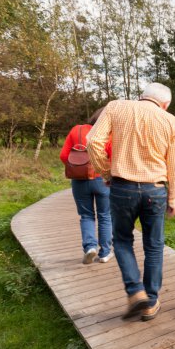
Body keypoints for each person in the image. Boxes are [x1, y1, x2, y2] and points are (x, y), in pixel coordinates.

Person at [87, 82, 175, 322]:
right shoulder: (173, 122)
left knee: (122, 241)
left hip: (122, 187)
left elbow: (93, 141)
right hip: (155, 190)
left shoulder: (116, 107)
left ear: (142, 96)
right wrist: (174, 196)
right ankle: (150, 302)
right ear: (166, 104)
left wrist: (107, 172)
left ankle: (135, 291)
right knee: (154, 245)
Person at [60, 107, 113, 265]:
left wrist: (78, 169)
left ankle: (90, 248)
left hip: (79, 181)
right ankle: (105, 253)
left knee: (86, 215)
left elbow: (64, 155)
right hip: (102, 180)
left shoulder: (77, 130)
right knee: (105, 216)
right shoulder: (108, 135)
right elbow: (113, 156)